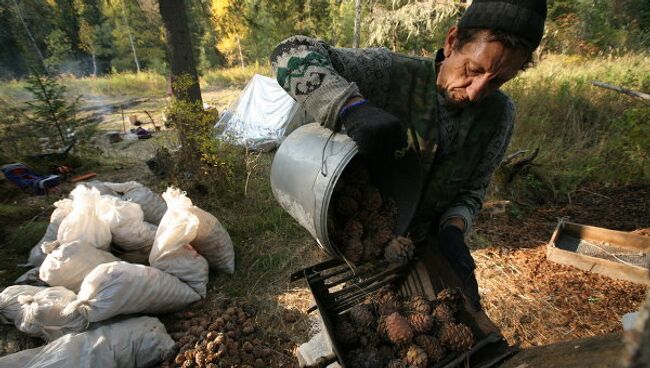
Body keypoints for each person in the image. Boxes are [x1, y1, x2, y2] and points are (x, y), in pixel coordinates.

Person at [271, 0, 547, 311]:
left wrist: (453, 231)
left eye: (497, 81)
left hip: (421, 249)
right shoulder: (390, 74)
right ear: (453, 41)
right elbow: (289, 53)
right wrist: (349, 106)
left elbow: (472, 190)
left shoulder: (499, 116)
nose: (475, 92)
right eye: (473, 69)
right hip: (360, 239)